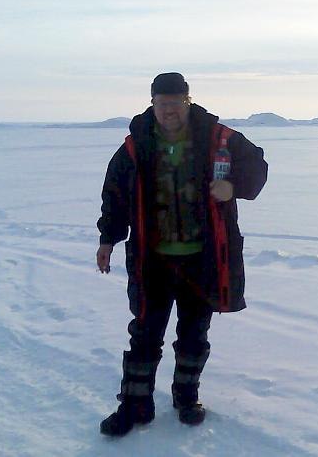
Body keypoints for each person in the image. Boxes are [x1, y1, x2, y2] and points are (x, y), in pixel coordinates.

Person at [96, 72, 268, 436]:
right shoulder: (136, 145)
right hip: (152, 261)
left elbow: (258, 167)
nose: (169, 111)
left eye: (176, 103)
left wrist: (233, 185)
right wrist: (108, 239)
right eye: (162, 104)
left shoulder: (219, 138)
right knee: (144, 333)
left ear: (188, 102)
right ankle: (135, 405)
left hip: (202, 259)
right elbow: (115, 194)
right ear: (152, 104)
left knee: (194, 333)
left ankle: (186, 397)